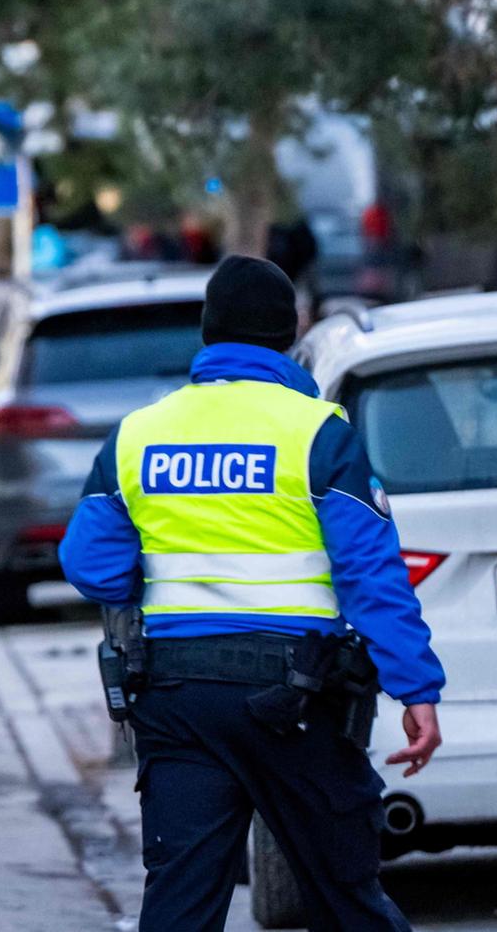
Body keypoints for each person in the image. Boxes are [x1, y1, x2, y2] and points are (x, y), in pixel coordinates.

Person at [59, 254, 445, 932]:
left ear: (207, 334)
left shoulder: (139, 433)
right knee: (345, 899)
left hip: (177, 701)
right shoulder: (317, 432)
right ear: (287, 338)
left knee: (180, 907)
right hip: (295, 699)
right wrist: (415, 689)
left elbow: (88, 564)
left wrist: (156, 578)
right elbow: (371, 576)